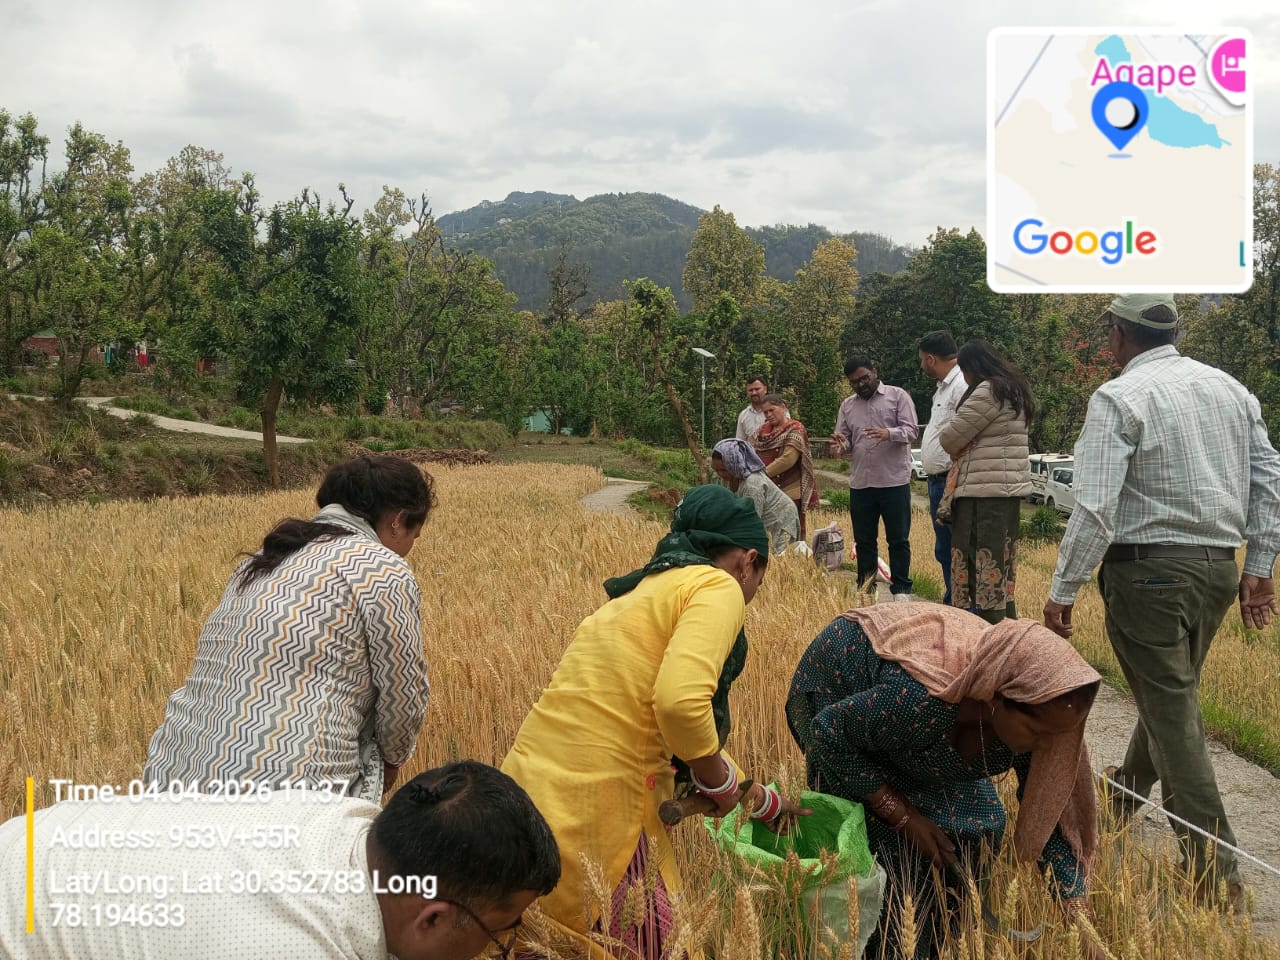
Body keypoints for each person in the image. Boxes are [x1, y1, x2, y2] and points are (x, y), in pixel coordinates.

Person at [500, 485, 808, 960]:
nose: (751, 594)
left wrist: (762, 802)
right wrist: (718, 782)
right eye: (758, 581)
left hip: (522, 799)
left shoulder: (635, 596)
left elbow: (677, 735)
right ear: (748, 561)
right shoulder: (718, 586)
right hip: (602, 815)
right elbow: (681, 708)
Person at [1044, 294, 1280, 911]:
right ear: (1173, 331)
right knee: (1167, 698)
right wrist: (1260, 565)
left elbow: (1096, 505)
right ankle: (1123, 797)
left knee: (1175, 716)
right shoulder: (1232, 391)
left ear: (1119, 334)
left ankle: (1215, 873)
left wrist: (1064, 587)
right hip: (1217, 572)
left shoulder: (1119, 397)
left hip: (1147, 574)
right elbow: (1269, 481)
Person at [786, 603, 1103, 960]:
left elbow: (1051, 822)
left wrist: (1080, 921)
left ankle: (935, 940)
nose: (1047, 747)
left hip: (914, 728)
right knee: (886, 852)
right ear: (998, 698)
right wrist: (902, 815)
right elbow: (827, 734)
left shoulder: (1042, 734)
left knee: (979, 828)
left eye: (1057, 737)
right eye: (1036, 732)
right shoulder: (918, 702)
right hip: (844, 680)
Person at [0, 761, 560, 960]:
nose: (495, 947)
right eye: (500, 932)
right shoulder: (293, 945)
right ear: (433, 917)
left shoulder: (343, 821)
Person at [144, 453, 434, 802]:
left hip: (171, 773)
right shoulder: (383, 568)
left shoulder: (263, 558)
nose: (409, 549)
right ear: (398, 520)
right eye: (415, 535)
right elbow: (403, 691)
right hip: (288, 790)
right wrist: (392, 761)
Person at [938, 340, 1034, 623]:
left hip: (983, 495)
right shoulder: (1014, 389)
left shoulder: (989, 390)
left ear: (973, 367)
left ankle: (986, 635)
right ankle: (1007, 633)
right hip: (1005, 493)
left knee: (980, 566)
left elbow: (950, 439)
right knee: (999, 569)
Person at [830, 357, 919, 598]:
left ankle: (901, 590)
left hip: (893, 482)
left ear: (875, 372)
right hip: (862, 483)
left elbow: (912, 431)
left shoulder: (897, 396)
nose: (860, 385)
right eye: (854, 382)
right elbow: (845, 440)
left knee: (898, 540)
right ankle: (866, 590)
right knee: (864, 541)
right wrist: (839, 446)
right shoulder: (847, 406)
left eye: (864, 378)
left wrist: (888, 433)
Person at [918, 331, 968, 605]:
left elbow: (965, 433)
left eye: (921, 360)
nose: (921, 366)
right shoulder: (943, 388)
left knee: (954, 549)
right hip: (937, 479)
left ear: (930, 358)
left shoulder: (961, 385)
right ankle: (952, 602)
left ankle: (960, 607)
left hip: (951, 479)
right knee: (944, 549)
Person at [711, 438, 801, 553]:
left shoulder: (752, 484)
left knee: (778, 557)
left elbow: (751, 520)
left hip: (781, 520)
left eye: (723, 470)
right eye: (716, 470)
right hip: (763, 520)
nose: (720, 474)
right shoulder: (729, 478)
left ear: (733, 465)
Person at [751, 393, 819, 541]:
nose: (768, 415)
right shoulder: (761, 431)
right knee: (769, 532)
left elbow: (788, 459)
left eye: (772, 410)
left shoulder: (796, 428)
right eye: (765, 412)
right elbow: (751, 451)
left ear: (783, 407)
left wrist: (760, 475)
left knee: (789, 533)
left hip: (789, 490)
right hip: (767, 488)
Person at [735, 375, 769, 441]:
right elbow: (740, 442)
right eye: (750, 390)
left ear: (765, 389)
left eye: (757, 389)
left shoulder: (777, 411)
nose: (754, 393)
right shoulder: (743, 415)